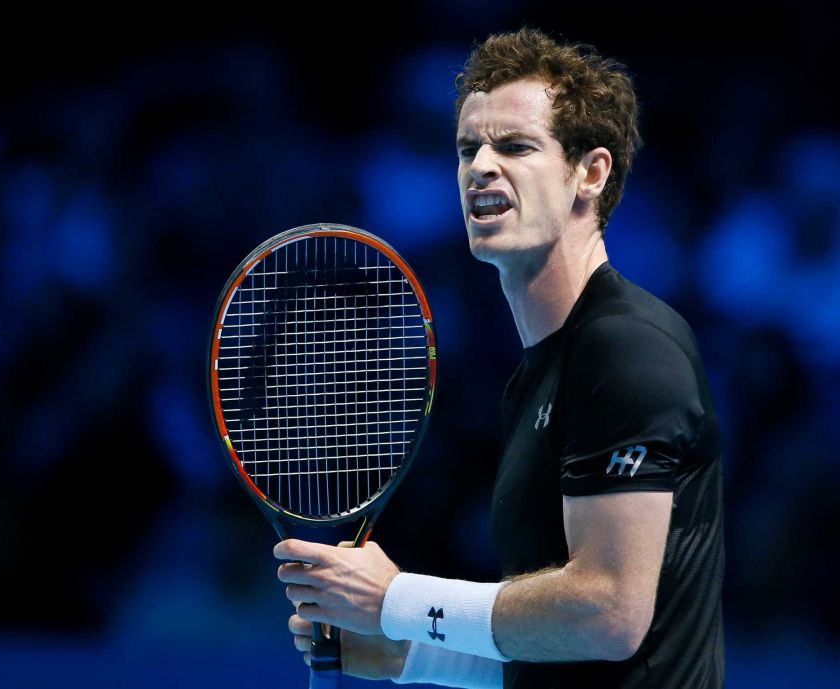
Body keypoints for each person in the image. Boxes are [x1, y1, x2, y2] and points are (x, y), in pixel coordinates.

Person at [274, 27, 725, 689]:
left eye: (515, 146)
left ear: (590, 173)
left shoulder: (628, 348)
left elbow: (608, 613)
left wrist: (394, 598)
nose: (481, 166)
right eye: (467, 148)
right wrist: (403, 653)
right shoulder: (537, 373)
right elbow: (564, 649)